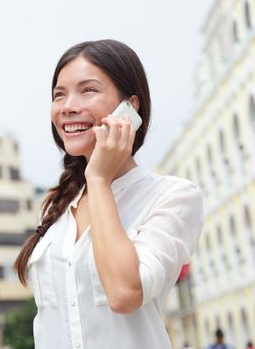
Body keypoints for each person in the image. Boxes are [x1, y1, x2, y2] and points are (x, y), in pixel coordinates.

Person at [14, 39, 204, 349]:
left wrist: (99, 179)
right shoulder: (55, 207)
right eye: (59, 95)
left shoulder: (173, 197)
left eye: (88, 90)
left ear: (130, 107)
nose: (68, 106)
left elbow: (124, 294)